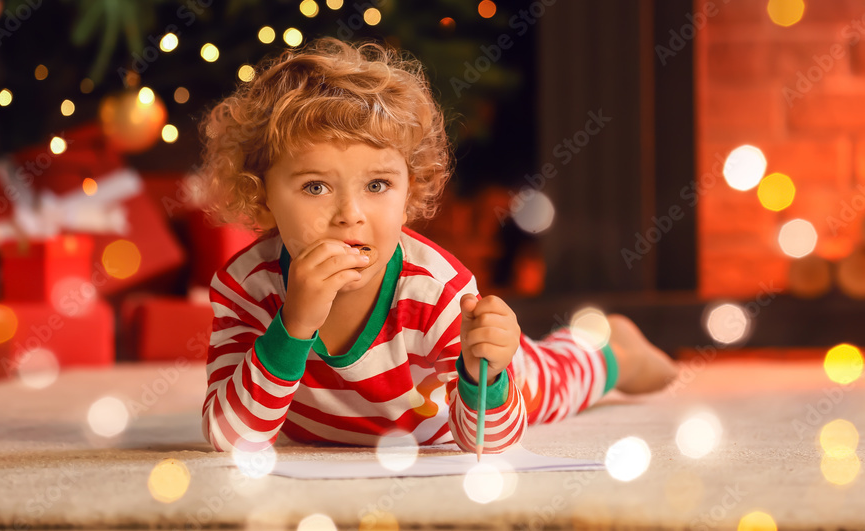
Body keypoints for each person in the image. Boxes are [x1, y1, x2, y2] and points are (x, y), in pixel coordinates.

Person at [196, 37, 677, 454]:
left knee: (549, 382)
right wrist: (294, 325)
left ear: (411, 191)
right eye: (316, 187)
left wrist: (483, 373)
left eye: (378, 185)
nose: (350, 214)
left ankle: (613, 352)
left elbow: (487, 441)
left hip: (456, 406)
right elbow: (231, 436)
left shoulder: (438, 290)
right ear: (262, 195)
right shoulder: (246, 286)